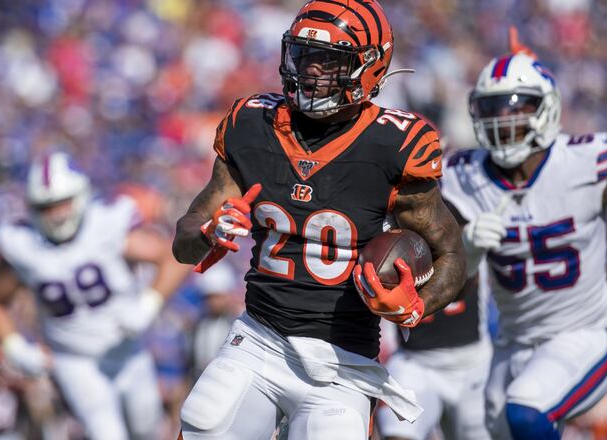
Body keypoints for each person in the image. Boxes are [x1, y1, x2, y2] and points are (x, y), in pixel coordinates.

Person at [171, 1, 466, 438]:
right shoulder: (253, 125)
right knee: (204, 421)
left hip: (343, 364)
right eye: (305, 55)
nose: (311, 70)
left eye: (329, 61)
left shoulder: (392, 146)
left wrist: (415, 306)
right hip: (258, 341)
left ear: (370, 66)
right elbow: (184, 241)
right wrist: (208, 232)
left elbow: (451, 254)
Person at [440, 30, 607, 440]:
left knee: (528, 410)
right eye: (492, 109)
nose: (504, 120)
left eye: (516, 108)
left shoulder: (586, 161)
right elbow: (444, 282)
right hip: (513, 341)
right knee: (501, 427)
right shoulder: (462, 176)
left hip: (585, 331)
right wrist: (466, 249)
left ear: (547, 108)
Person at [0, 152, 188, 440]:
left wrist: (148, 304)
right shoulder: (24, 245)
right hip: (75, 360)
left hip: (127, 351)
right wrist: (15, 348)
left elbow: (175, 256)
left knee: (147, 429)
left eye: (62, 203)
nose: (56, 214)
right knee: (107, 433)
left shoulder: (106, 225)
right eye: (47, 207)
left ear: (81, 196)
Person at [376, 262, 492, 440]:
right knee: (397, 434)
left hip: (473, 362)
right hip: (413, 362)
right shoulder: (391, 244)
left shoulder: (474, 245)